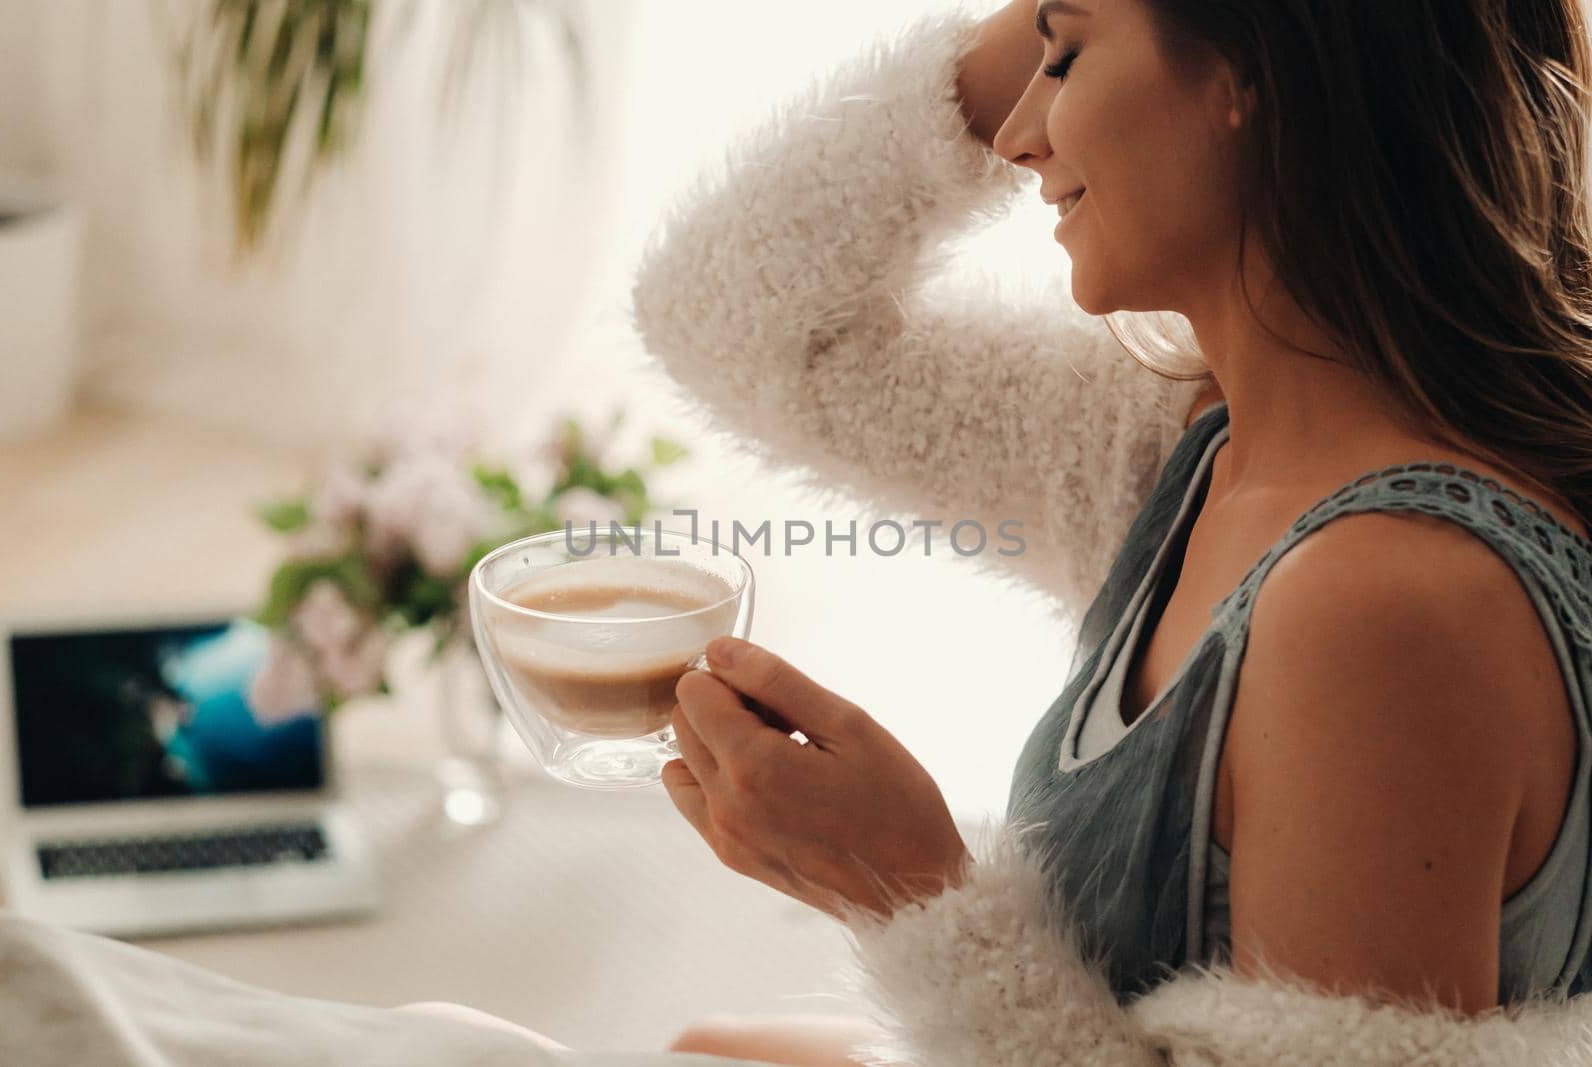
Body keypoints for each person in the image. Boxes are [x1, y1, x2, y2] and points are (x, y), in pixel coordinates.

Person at [629, 0, 1592, 1062]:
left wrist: (909, 891)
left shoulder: (1380, 601)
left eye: (1067, 54)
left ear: (1251, 73)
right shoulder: (1194, 448)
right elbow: (735, 319)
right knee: (704, 1042)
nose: (1011, 134)